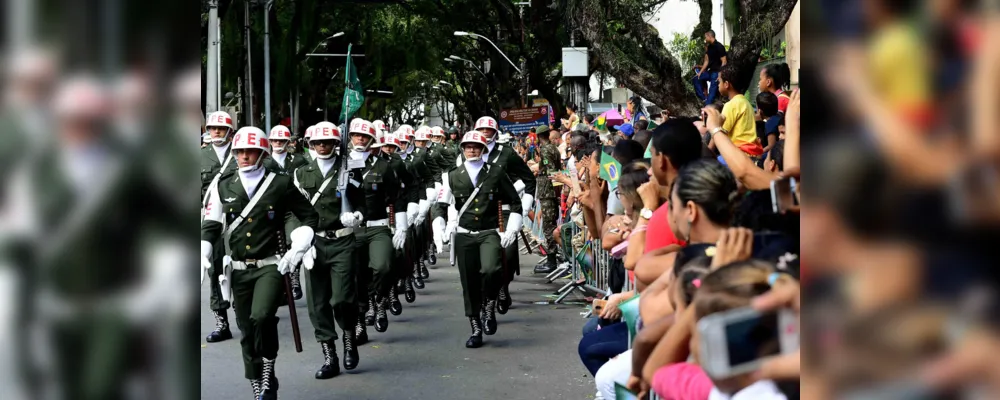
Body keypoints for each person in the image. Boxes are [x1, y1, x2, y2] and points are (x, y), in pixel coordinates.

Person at [201, 126, 320, 399]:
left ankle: (268, 365)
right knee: (245, 326)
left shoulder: (279, 183)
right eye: (240, 151)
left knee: (262, 315)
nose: (244, 156)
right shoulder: (224, 183)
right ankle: (256, 378)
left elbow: (308, 215)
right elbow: (212, 222)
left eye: (250, 151)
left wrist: (303, 239)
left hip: (270, 264)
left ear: (262, 153)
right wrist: (203, 248)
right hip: (238, 267)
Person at [438, 131, 523, 348]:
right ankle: (475, 325)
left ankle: (490, 303)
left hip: (489, 231)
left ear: (484, 149)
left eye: (476, 146)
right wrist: (441, 224)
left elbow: (515, 201)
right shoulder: (452, 175)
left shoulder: (495, 173)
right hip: (465, 234)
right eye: (468, 146)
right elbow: (442, 204)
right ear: (462, 149)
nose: (472, 150)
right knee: (469, 281)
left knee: (492, 269)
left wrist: (512, 227)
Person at [291, 121, 363, 379]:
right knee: (317, 302)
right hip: (314, 242)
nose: (323, 146)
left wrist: (356, 215)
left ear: (336, 144)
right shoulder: (301, 173)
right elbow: (293, 211)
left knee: (343, 297)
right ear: (310, 144)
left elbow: (361, 202)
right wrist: (298, 238)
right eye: (318, 142)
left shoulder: (350, 170)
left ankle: (348, 336)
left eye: (328, 142)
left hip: (342, 240)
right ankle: (329, 355)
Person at [343, 119, 407, 340]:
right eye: (356, 136)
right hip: (352, 230)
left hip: (378, 226)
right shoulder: (342, 165)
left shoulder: (383, 166)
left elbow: (398, 197)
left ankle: (378, 300)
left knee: (383, 266)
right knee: (357, 276)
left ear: (372, 140)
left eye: (365, 137)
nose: (360, 139)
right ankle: (360, 319)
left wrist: (402, 227)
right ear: (350, 138)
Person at [201, 110, 238, 344]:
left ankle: (248, 315)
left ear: (230, 131)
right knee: (214, 268)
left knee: (244, 266)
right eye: (212, 128)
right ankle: (221, 321)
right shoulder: (200, 157)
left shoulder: (242, 153)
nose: (216, 132)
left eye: (221, 128)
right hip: (211, 220)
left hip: (240, 219)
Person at [265, 124, 310, 299]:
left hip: (292, 208)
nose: (277, 143)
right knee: (276, 246)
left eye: (281, 140)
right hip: (272, 209)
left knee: (293, 240)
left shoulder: (298, 160)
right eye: (274, 140)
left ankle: (294, 277)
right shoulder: (265, 162)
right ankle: (281, 283)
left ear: (288, 142)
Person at [379, 132, 420, 316]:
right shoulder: (359, 162)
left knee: (400, 249)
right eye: (384, 145)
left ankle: (403, 280)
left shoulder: (396, 162)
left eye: (391, 146)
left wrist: (412, 206)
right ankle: (378, 300)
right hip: (371, 214)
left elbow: (411, 184)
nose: (388, 149)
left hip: (396, 208)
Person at [712, 65, 764, 162]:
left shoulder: (731, 105)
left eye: (719, 81)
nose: (718, 84)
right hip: (751, 154)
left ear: (726, 84)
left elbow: (720, 133)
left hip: (738, 155)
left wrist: (708, 151)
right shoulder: (746, 103)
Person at [533, 126, 563, 275]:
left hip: (547, 191)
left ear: (539, 136)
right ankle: (552, 258)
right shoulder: (554, 148)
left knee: (548, 225)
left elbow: (551, 170)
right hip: (551, 191)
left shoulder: (545, 149)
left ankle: (552, 260)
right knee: (550, 223)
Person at [693, 30, 728, 106]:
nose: (705, 39)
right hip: (710, 72)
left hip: (716, 73)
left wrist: (720, 74)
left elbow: (724, 61)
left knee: (712, 93)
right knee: (696, 79)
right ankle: (703, 98)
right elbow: (706, 61)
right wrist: (700, 72)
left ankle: (706, 108)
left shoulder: (720, 46)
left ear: (709, 36)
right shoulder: (709, 47)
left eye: (705, 37)